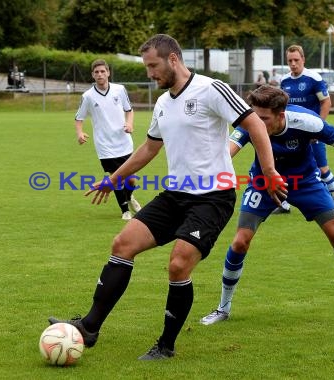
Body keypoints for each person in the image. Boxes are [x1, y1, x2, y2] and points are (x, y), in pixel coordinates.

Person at [48, 34, 285, 361]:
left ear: (173, 59)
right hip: (176, 194)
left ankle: (166, 345)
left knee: (177, 265)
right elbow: (149, 148)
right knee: (123, 244)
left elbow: (255, 126)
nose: (149, 73)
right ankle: (89, 327)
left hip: (213, 198)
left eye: (153, 66)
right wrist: (113, 179)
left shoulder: (211, 89)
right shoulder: (163, 103)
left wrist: (270, 170)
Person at [200, 84, 334, 328]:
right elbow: (226, 153)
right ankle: (223, 307)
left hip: (305, 182)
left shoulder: (307, 121)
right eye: (254, 117)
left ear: (281, 115)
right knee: (240, 241)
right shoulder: (251, 122)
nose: (257, 123)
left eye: (264, 118)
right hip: (263, 183)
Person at [276, 44, 334, 215]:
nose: (293, 64)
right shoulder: (285, 81)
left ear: (303, 59)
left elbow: (326, 102)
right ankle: (283, 204)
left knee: (322, 168)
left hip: (312, 133)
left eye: (296, 60)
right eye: (289, 61)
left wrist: (318, 127)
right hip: (291, 134)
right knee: (283, 168)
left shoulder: (314, 78)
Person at [75, 59, 141, 220]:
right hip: (105, 146)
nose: (100, 74)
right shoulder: (88, 96)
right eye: (96, 72)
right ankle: (125, 210)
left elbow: (129, 110)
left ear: (108, 73)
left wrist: (129, 124)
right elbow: (79, 118)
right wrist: (80, 133)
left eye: (102, 71)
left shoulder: (119, 90)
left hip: (124, 142)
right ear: (92, 75)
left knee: (131, 180)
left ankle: (129, 197)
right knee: (117, 177)